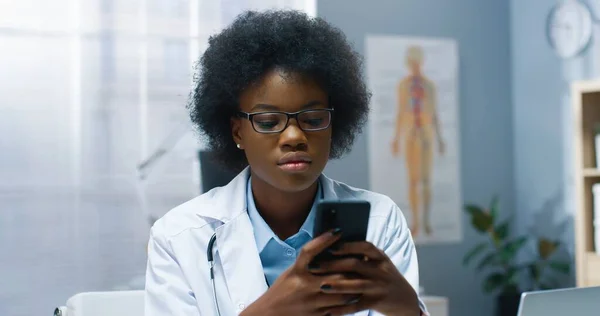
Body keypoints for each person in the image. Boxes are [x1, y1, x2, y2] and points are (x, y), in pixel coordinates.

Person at [145, 10, 429, 316]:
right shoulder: (179, 236)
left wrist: (408, 308)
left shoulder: (381, 221)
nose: (294, 136)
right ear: (237, 131)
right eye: (268, 121)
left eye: (314, 119)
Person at [390, 46, 445, 238]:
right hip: (411, 134)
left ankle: (427, 221)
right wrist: (396, 138)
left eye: (417, 62)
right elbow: (400, 112)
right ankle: (415, 222)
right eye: (411, 62)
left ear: (421, 62)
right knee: (413, 181)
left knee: (426, 180)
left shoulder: (429, 86)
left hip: (427, 133)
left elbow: (435, 113)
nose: (415, 66)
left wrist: (440, 139)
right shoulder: (403, 86)